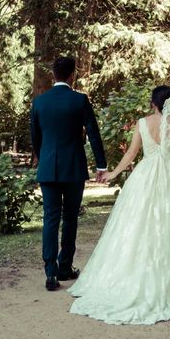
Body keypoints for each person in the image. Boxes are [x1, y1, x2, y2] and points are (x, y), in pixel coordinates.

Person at [68, 85, 170, 324]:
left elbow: (130, 155)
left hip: (145, 176)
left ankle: (132, 276)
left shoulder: (142, 123)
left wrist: (113, 173)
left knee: (136, 225)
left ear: (152, 103)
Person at [30, 56, 107, 291]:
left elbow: (36, 139)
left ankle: (50, 274)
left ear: (54, 75)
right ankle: (65, 266)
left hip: (48, 169)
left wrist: (44, 160)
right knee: (70, 217)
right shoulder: (79, 100)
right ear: (72, 75)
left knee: (50, 219)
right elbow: (93, 133)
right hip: (73, 168)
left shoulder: (39, 102)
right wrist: (101, 165)